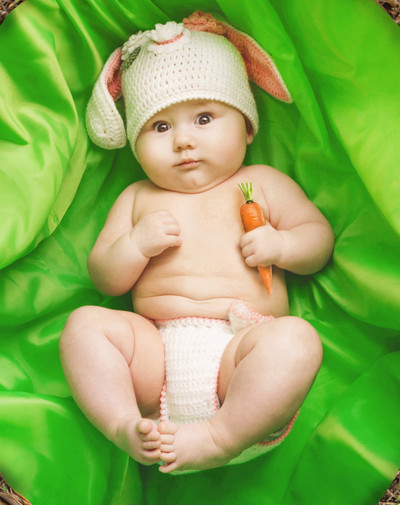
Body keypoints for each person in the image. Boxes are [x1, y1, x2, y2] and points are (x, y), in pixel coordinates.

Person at [59, 12, 334, 474]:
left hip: (240, 361)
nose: (183, 141)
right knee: (84, 326)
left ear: (247, 126)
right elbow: (104, 276)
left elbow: (318, 241)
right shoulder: (138, 198)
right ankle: (122, 423)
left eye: (204, 118)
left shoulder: (262, 184)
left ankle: (219, 437)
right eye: (160, 127)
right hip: (153, 360)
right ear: (135, 143)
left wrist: (283, 245)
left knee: (296, 340)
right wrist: (135, 245)